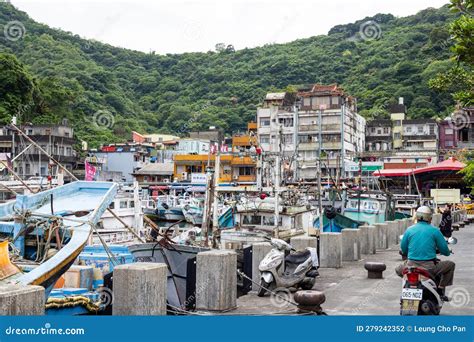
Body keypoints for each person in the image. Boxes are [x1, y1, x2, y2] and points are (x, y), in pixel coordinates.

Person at [395, 206, 455, 301]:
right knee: (451, 265)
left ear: (417, 217)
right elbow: (444, 251)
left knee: (398, 269)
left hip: (410, 266)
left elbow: (403, 249)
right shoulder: (435, 231)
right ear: (430, 218)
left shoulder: (409, 230)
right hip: (429, 268)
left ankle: (408, 283)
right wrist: (448, 252)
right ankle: (440, 289)